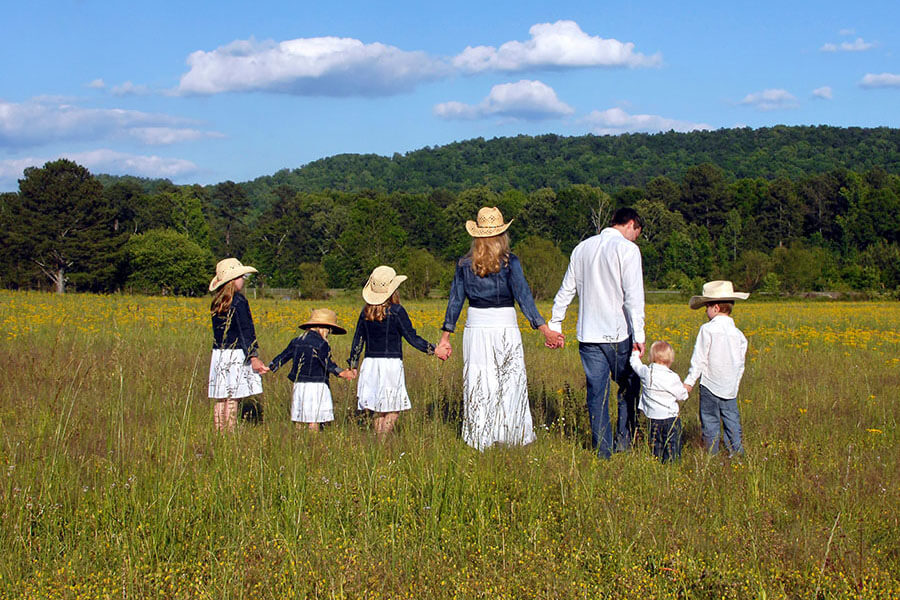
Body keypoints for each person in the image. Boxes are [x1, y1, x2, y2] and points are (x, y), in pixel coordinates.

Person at [436, 206, 560, 450]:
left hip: (476, 325)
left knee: (479, 381)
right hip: (505, 324)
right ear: (502, 234)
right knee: (510, 379)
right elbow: (524, 297)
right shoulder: (510, 262)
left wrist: (445, 338)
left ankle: (480, 436)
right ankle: (512, 434)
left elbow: (455, 301)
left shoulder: (464, 263)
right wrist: (545, 330)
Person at [548, 207, 645, 459]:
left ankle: (603, 450)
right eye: (637, 233)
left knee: (596, 393)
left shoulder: (582, 248)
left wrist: (556, 325)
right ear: (631, 224)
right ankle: (624, 440)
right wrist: (640, 336)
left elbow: (566, 290)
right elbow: (634, 298)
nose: (636, 238)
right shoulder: (628, 250)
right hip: (617, 334)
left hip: (588, 334)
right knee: (629, 384)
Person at [348, 266, 441, 437]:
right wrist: (434, 350)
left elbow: (358, 339)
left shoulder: (365, 312)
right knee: (393, 408)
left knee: (378, 408)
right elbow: (411, 337)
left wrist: (353, 364)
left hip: (370, 364)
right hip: (390, 365)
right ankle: (382, 441)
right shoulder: (397, 311)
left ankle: (378, 443)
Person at [683, 280, 749, 456]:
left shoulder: (707, 330)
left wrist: (689, 382)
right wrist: (735, 384)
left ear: (716, 308)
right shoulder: (740, 336)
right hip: (730, 387)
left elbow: (699, 359)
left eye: (706, 307)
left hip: (709, 384)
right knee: (731, 420)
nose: (705, 311)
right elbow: (740, 365)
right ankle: (736, 453)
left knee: (710, 421)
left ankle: (712, 454)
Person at [208, 258, 270, 432]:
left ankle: (220, 431)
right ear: (233, 279)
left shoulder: (217, 302)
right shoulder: (239, 302)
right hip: (235, 353)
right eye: (242, 276)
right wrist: (253, 356)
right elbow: (245, 331)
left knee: (221, 398)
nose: (243, 280)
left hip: (218, 354)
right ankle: (230, 430)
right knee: (233, 397)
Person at [268, 308, 355, 432]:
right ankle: (312, 442)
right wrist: (342, 372)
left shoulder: (297, 340)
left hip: (299, 385)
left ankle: (298, 441)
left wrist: (271, 366)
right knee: (314, 418)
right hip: (317, 385)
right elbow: (327, 363)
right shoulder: (321, 344)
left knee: (300, 417)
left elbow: (284, 356)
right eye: (329, 330)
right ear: (324, 328)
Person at [629, 341, 689, 463]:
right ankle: (672, 466)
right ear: (670, 359)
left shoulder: (647, 372)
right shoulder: (672, 377)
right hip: (670, 418)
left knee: (656, 444)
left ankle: (657, 462)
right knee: (672, 445)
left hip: (653, 417)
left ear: (652, 357)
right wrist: (685, 390)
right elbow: (681, 395)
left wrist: (635, 353)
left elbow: (635, 365)